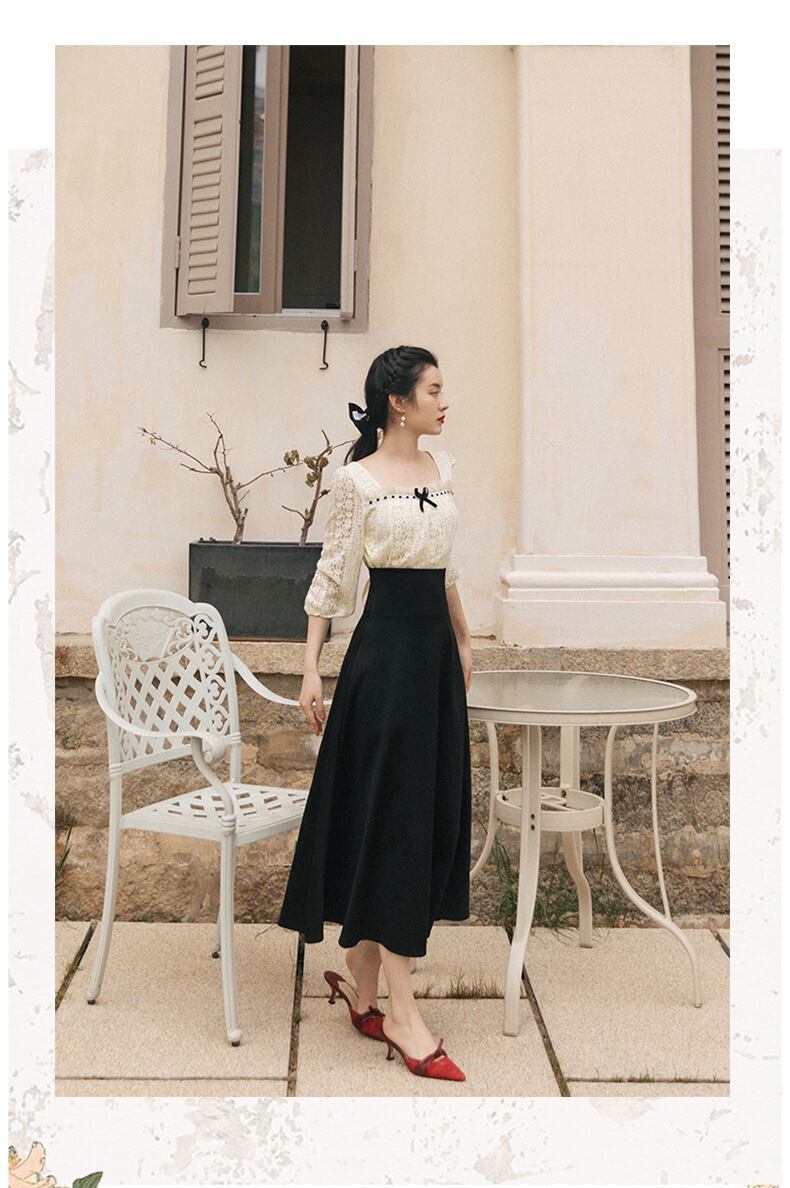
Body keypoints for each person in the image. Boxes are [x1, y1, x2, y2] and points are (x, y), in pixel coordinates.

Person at [277, 345, 473, 1082]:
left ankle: (362, 976)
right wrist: (309, 670)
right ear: (399, 401)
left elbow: (448, 569)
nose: (444, 402)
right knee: (393, 820)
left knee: (420, 814)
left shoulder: (444, 470)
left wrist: (464, 641)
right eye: (434, 390)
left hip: (435, 664)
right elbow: (332, 576)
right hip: (383, 667)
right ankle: (402, 1014)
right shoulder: (356, 481)